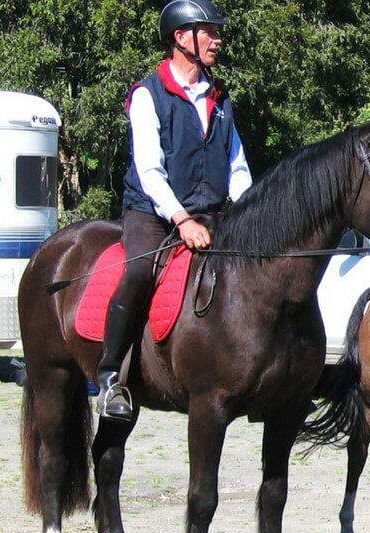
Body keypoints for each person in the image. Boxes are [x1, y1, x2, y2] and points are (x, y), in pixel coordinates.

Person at [95, 0, 252, 421]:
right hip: (152, 211)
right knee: (138, 272)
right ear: (182, 38)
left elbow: (235, 162)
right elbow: (149, 169)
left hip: (212, 213)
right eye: (209, 32)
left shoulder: (219, 97)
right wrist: (180, 219)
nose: (218, 39)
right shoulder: (148, 95)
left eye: (218, 32)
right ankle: (110, 376)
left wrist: (250, 210)